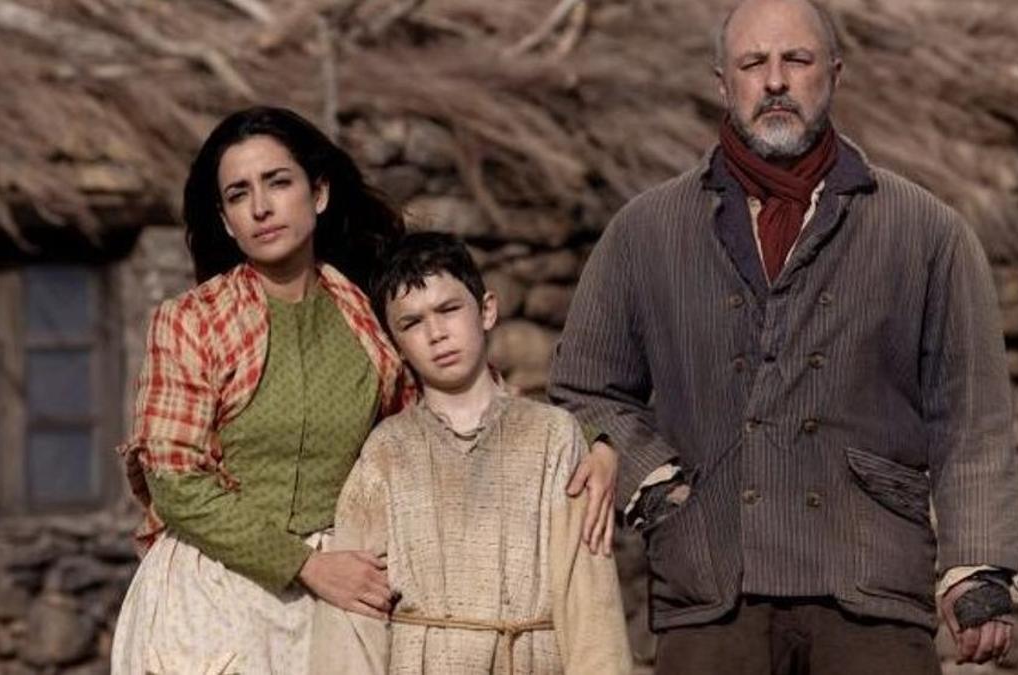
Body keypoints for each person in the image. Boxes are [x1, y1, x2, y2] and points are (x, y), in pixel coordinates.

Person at [547, 1, 1018, 673]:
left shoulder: (926, 231)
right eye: (753, 64)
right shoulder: (645, 231)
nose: (775, 81)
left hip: (871, 589)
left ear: (834, 73)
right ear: (723, 83)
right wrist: (655, 485)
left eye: (796, 60)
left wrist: (977, 568)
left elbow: (972, 413)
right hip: (711, 590)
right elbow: (584, 387)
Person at [111, 106, 417, 673]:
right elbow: (175, 482)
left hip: (339, 601)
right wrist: (305, 565)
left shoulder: (373, 323)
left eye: (278, 182)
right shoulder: (190, 321)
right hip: (207, 598)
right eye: (238, 194)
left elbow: (415, 440)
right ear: (227, 221)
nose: (260, 207)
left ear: (318, 194)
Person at [309, 232, 632, 674]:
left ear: (486, 310)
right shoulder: (388, 452)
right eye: (412, 323)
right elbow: (354, 615)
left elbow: (590, 603)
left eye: (448, 309)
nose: (436, 334)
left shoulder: (552, 437)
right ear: (396, 345)